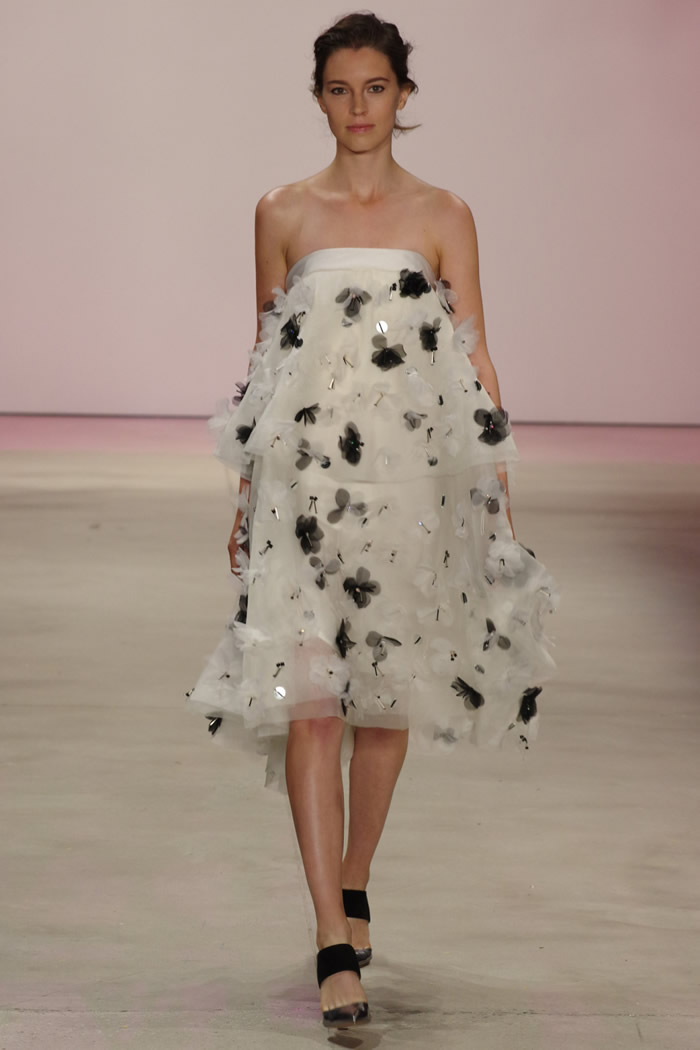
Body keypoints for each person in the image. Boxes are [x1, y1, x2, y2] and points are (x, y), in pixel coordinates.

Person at [186, 11, 560, 1029]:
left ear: (403, 95)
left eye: (376, 88)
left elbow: (474, 350)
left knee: (383, 701)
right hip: (305, 488)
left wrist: (495, 479)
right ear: (318, 98)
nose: (358, 107)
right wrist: (248, 490)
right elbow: (267, 355)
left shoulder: (443, 214)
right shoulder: (281, 212)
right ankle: (329, 936)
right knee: (313, 701)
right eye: (340, 89)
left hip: (412, 486)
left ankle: (353, 882)